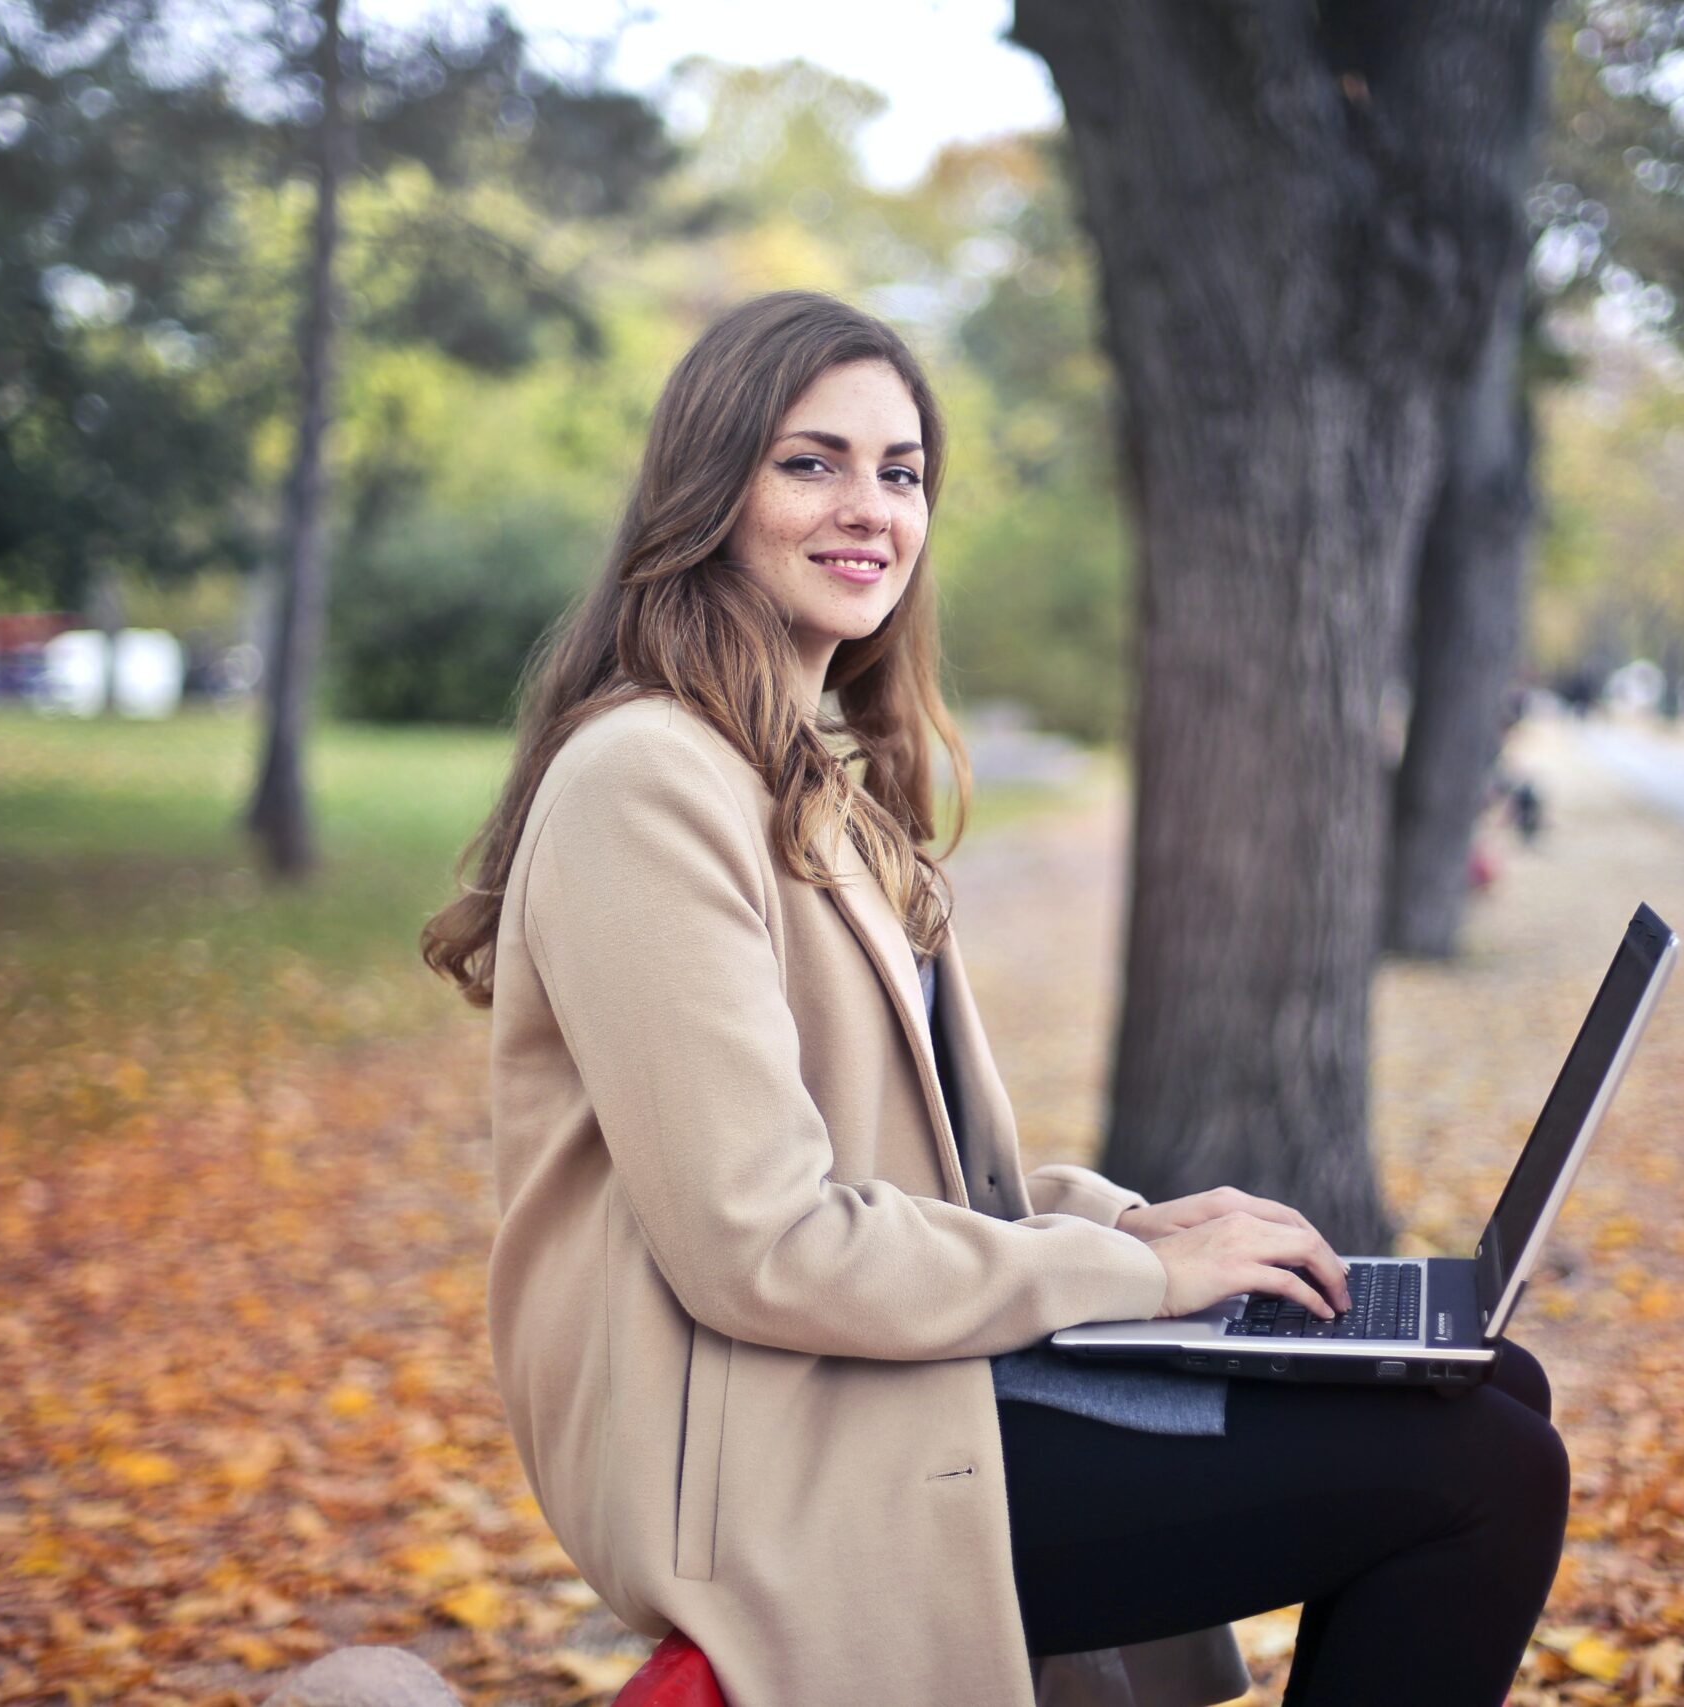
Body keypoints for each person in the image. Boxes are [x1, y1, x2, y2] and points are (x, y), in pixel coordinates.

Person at [423, 291, 1569, 1707]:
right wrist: (1144, 1283)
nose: (870, 508)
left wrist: (1132, 1221)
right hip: (764, 1454)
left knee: (1489, 1386)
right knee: (1484, 1469)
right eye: (812, 461)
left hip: (876, 1382)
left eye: (900, 472)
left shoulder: (801, 773)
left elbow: (926, 1176)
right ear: (708, 489)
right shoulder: (647, 780)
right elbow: (760, 1240)